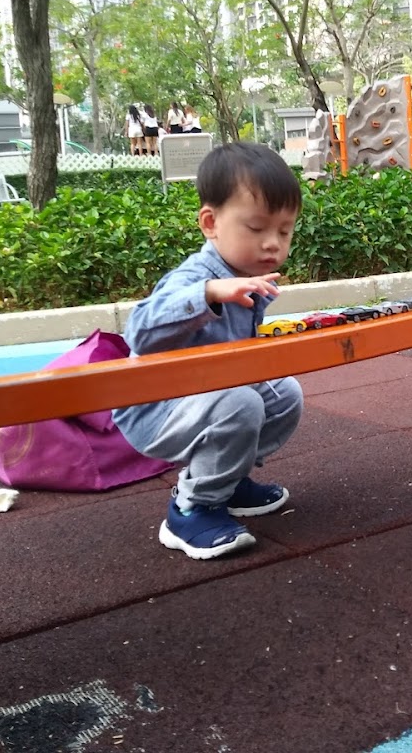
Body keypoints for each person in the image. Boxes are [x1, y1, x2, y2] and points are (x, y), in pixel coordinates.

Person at [113, 143, 303, 560]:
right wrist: (210, 294)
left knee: (284, 393)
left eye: (285, 231)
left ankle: (227, 481)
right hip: (153, 407)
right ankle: (190, 508)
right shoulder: (197, 277)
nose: (273, 243)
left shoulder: (245, 279)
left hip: (206, 396)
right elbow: (139, 331)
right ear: (210, 222)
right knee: (239, 404)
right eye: (256, 228)